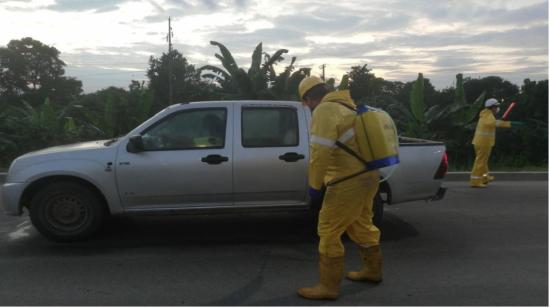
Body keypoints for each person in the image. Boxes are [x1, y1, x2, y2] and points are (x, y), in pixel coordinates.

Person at [297, 76, 383, 300]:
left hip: (347, 180)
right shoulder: (347, 105)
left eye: (306, 103)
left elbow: (320, 152)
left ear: (308, 98)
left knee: (328, 229)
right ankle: (372, 270)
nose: (308, 108)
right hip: (369, 174)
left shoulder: (324, 110)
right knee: (362, 222)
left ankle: (328, 287)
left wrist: (314, 185)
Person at [470, 98, 523, 188]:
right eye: (496, 106)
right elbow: (493, 123)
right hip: (484, 143)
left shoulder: (486, 114)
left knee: (483, 162)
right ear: (492, 107)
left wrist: (502, 122)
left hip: (480, 142)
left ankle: (485, 178)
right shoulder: (488, 115)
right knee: (480, 162)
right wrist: (509, 123)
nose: (497, 108)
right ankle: (475, 181)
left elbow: (493, 123)